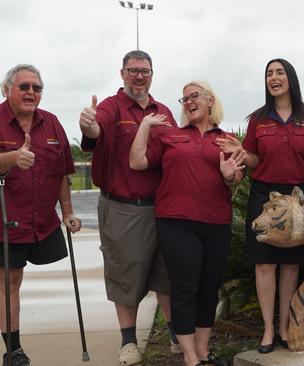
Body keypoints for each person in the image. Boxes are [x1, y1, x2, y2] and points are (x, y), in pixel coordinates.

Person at [216, 58, 304, 354]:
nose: (274, 77)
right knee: (265, 264)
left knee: (290, 265)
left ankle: (286, 328)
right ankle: (268, 330)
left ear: (290, 79)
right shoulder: (258, 119)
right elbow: (254, 160)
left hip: (299, 199)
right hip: (265, 198)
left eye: (280, 72)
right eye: (269, 74)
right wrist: (241, 152)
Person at [130, 80, 243, 366]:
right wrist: (144, 127)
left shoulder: (226, 139)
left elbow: (236, 177)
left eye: (195, 96)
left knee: (208, 286)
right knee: (185, 286)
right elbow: (137, 162)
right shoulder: (170, 136)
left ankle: (203, 351)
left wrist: (230, 173)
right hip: (176, 221)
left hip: (216, 221)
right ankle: (189, 356)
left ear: (210, 101)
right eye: (184, 99)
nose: (189, 101)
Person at [78, 50, 176, 365]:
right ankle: (129, 341)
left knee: (166, 273)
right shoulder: (111, 107)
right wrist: (88, 125)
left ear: (152, 74)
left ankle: (176, 334)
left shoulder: (163, 111)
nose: (139, 76)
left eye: (145, 71)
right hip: (124, 208)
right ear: (122, 73)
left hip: (162, 206)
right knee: (125, 274)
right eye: (133, 70)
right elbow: (96, 132)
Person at [0, 64, 81, 366]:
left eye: (36, 87)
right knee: (9, 284)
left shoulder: (53, 123)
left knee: (12, 284)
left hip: (42, 221)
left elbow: (62, 172)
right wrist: (10, 158)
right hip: (5, 220)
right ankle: (14, 351)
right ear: (7, 89)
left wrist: (68, 212)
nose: (31, 92)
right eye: (24, 87)